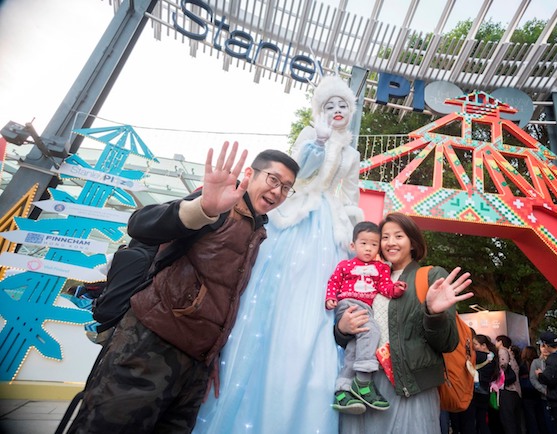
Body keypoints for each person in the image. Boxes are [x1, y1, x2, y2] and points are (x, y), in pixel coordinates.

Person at [67, 143, 300, 433]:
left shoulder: (258, 230)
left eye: (286, 187)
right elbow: (140, 224)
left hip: (194, 367)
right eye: (273, 179)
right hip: (149, 345)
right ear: (250, 173)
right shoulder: (218, 207)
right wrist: (203, 208)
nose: (278, 191)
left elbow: (224, 297)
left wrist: (210, 356)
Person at [194, 75, 364, 434]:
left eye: (343, 106)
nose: (336, 111)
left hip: (327, 228)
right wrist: (316, 143)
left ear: (351, 112)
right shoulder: (308, 134)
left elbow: (350, 195)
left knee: (316, 309)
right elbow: (297, 174)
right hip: (295, 216)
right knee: (266, 293)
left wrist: (349, 226)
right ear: (320, 109)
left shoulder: (352, 154)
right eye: (330, 105)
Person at [335, 212, 473, 434]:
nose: (390, 242)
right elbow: (352, 333)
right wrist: (342, 329)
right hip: (367, 381)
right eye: (385, 237)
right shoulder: (368, 276)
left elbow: (447, 343)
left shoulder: (431, 277)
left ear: (412, 242)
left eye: (398, 236)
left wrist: (433, 313)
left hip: (411, 386)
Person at [326, 221, 407, 414]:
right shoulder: (345, 265)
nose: (369, 249)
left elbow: (384, 288)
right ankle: (363, 380)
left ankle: (342, 390)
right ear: (353, 246)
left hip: (367, 309)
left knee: (354, 348)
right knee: (372, 330)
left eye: (373, 244)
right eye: (364, 244)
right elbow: (334, 281)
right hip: (349, 305)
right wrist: (330, 297)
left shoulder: (381, 269)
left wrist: (395, 290)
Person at [495, 335, 523, 434]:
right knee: (515, 420)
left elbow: (503, 365)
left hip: (507, 389)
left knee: (508, 420)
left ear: (501, 342)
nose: (495, 344)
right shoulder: (512, 354)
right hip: (516, 391)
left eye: (496, 342)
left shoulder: (502, 351)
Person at [473, 334, 500, 434]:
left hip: (476, 391)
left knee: (474, 421)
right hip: (485, 391)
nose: (473, 347)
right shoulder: (492, 358)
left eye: (475, 344)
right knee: (482, 420)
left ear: (483, 345)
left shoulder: (478, 356)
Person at [520, 345, 548, 434]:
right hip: (539, 393)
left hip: (527, 394)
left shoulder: (522, 365)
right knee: (541, 417)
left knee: (531, 419)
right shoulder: (539, 363)